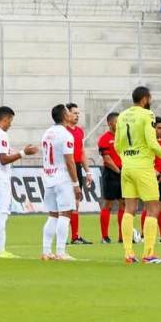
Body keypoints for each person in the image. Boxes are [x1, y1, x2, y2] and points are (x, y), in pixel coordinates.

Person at [114, 86, 161, 264]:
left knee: (129, 208)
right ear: (145, 99)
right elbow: (152, 142)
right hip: (143, 166)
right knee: (153, 208)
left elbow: (117, 144)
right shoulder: (147, 115)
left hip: (127, 166)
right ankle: (149, 253)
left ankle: (129, 253)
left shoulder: (122, 116)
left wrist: (126, 158)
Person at [0, 106, 38, 258]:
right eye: (10, 121)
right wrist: (24, 153)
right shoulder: (1, 134)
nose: (11, 124)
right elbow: (3, 159)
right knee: (1, 213)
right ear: (5, 118)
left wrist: (19, 151)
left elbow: (1, 153)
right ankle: (0, 251)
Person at [40, 104, 82, 261]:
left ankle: (46, 251)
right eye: (69, 112)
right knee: (65, 214)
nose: (72, 115)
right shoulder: (66, 135)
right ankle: (60, 251)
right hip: (62, 179)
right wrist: (76, 184)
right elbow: (70, 162)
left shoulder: (46, 133)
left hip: (49, 178)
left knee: (52, 215)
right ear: (65, 116)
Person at [65, 103, 94, 245]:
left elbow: (81, 151)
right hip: (65, 168)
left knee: (76, 203)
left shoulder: (79, 131)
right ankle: (62, 236)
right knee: (64, 204)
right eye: (74, 113)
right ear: (66, 114)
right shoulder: (62, 131)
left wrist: (88, 171)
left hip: (76, 167)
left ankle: (75, 236)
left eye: (78, 114)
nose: (77, 116)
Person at [97, 112, 124, 244]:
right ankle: (105, 237)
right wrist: (119, 171)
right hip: (111, 173)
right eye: (117, 121)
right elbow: (107, 159)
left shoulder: (123, 138)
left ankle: (122, 236)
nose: (119, 124)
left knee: (123, 203)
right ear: (110, 123)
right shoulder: (104, 139)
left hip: (124, 172)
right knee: (108, 203)